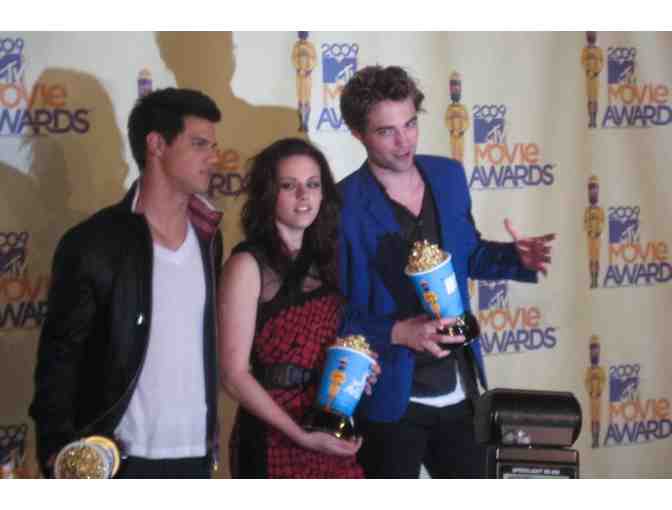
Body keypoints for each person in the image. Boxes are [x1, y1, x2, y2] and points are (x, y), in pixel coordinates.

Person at [338, 65, 555, 478]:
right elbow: (337, 312)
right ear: (357, 134)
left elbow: (468, 256)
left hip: (460, 389)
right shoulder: (341, 206)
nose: (404, 142)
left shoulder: (448, 175)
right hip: (390, 400)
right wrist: (398, 332)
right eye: (386, 131)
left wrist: (516, 258)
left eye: (410, 124)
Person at [29, 88, 224, 478]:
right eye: (199, 144)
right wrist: (58, 451)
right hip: (115, 458)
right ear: (157, 145)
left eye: (213, 146)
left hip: (197, 459)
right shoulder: (93, 242)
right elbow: (60, 356)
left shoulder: (209, 237)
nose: (214, 158)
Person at [218, 137, 376, 478]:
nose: (304, 196)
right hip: (273, 434)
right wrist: (300, 435)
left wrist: (353, 371)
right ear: (267, 194)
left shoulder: (327, 259)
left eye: (313, 184)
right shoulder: (247, 265)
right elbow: (233, 375)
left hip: (327, 427)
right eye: (289, 186)